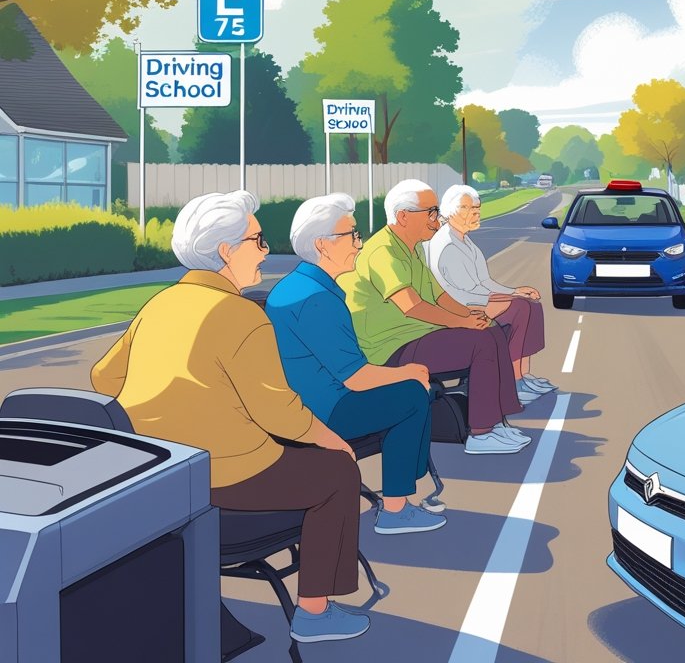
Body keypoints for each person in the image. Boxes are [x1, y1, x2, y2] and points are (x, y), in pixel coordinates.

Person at [91, 191, 370, 644]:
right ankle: (315, 613)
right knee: (337, 469)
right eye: (257, 241)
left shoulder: (158, 306)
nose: (265, 252)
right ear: (226, 251)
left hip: (160, 472)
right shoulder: (241, 316)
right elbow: (280, 412)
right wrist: (330, 438)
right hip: (228, 476)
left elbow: (104, 377)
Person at [266, 193, 446, 535]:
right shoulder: (317, 299)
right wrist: (408, 373)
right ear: (322, 244)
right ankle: (396, 508)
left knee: (410, 389)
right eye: (352, 236)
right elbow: (356, 378)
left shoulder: (294, 286)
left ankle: (407, 483)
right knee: (412, 397)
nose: (359, 245)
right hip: (325, 410)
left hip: (302, 401)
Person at [341, 179, 529, 455]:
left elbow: (438, 295)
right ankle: (480, 433)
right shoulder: (383, 251)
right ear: (403, 216)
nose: (436, 219)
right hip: (389, 348)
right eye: (430, 212)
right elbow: (411, 306)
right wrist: (462, 323)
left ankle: (497, 421)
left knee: (492, 332)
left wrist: (470, 314)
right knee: (480, 344)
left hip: (415, 334)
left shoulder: (413, 247)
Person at [428, 184, 556, 400]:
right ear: (450, 211)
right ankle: (514, 381)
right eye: (467, 208)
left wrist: (515, 291)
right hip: (460, 306)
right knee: (520, 309)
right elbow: (460, 293)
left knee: (530, 304)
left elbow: (485, 282)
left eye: (477, 207)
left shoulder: (465, 241)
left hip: (473, 299)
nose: (475, 212)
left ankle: (523, 374)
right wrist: (507, 298)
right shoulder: (447, 244)